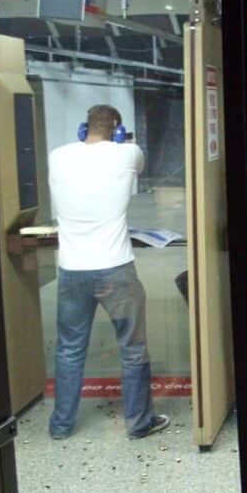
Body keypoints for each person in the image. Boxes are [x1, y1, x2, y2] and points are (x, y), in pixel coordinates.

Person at [48, 105, 169, 440]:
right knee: (132, 348)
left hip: (72, 270)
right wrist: (122, 140)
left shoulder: (58, 156)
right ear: (118, 131)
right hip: (115, 267)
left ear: (83, 127)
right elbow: (139, 163)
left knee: (69, 349)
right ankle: (139, 423)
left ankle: (60, 426)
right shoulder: (127, 152)